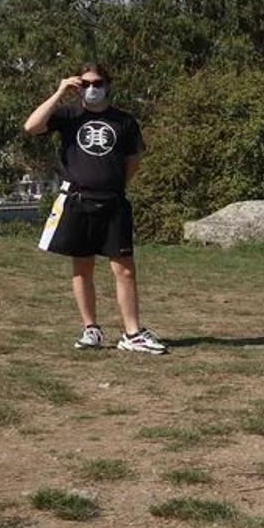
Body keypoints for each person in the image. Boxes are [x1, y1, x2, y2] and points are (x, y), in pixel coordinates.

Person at [24, 62, 166, 354]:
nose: (92, 89)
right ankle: (91, 329)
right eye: (85, 84)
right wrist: (60, 90)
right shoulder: (68, 115)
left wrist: (114, 186)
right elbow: (32, 126)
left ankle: (132, 333)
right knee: (82, 267)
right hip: (77, 201)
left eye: (97, 83)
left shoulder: (124, 121)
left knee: (124, 270)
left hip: (113, 202)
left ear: (108, 85)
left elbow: (133, 161)